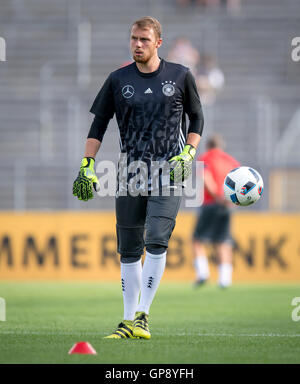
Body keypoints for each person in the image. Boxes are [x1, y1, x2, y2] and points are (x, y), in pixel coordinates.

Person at [73, 17, 204, 339]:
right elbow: (98, 123)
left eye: (144, 39)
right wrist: (87, 163)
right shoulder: (118, 79)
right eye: (133, 38)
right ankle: (127, 320)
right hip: (130, 171)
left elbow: (197, 116)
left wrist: (189, 152)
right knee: (129, 250)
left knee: (156, 238)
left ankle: (143, 315)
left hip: (169, 169)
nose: (137, 44)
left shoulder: (180, 75)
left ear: (158, 42)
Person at [193, 134, 239, 288]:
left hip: (211, 203)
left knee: (197, 240)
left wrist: (218, 197)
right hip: (227, 205)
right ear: (221, 146)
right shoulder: (231, 161)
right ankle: (225, 279)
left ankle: (202, 274)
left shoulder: (205, 158)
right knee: (223, 241)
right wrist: (231, 200)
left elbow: (206, 179)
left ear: (208, 146)